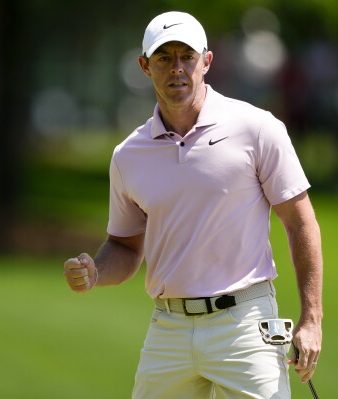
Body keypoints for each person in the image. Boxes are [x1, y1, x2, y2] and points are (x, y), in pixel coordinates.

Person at [63, 11, 323, 399]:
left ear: (207, 61)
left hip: (245, 323)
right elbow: (125, 246)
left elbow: (300, 222)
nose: (177, 69)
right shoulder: (128, 155)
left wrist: (311, 318)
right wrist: (96, 270)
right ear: (144, 67)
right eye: (164, 58)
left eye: (186, 56)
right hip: (168, 328)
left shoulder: (257, 128)